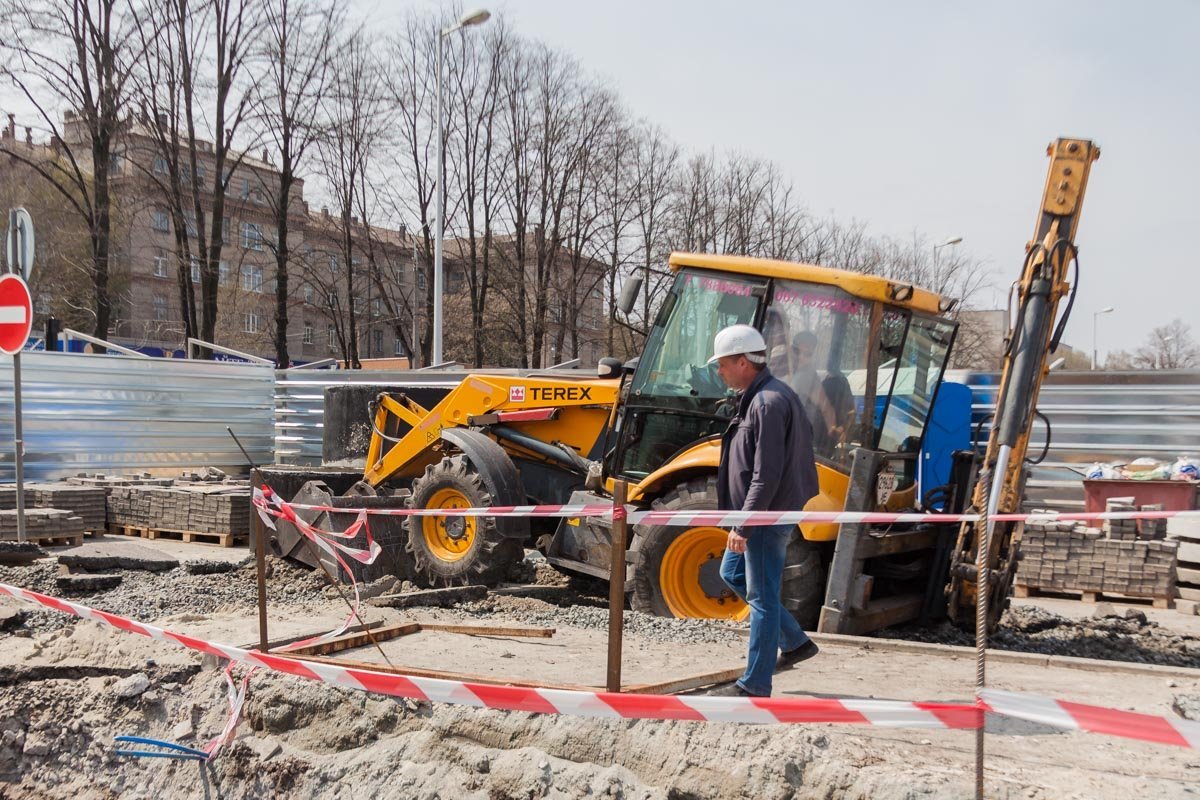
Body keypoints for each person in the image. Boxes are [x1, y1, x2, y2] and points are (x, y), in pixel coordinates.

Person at [707, 324, 821, 697]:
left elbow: (766, 474)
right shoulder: (763, 396)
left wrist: (745, 525)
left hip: (766, 515)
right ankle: (795, 642)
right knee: (731, 573)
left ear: (744, 362)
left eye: (722, 364)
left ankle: (755, 683)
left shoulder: (768, 402)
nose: (719, 371)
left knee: (762, 597)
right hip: (764, 512)